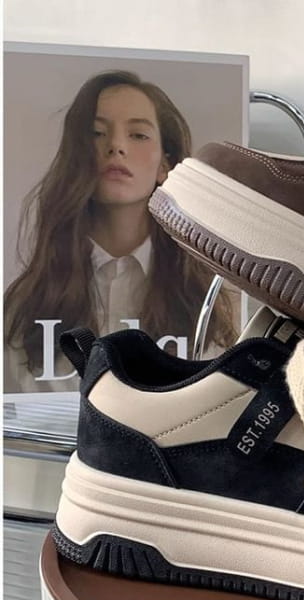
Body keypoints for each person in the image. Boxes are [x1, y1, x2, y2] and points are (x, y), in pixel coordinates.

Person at [4, 70, 238, 393]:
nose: (115, 146)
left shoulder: (209, 303)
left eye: (138, 135)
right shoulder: (24, 307)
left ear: (164, 164)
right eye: (97, 133)